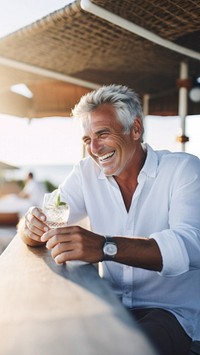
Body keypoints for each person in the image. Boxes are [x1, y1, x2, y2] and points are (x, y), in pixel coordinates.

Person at [18, 84, 200, 355]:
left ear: (135, 129)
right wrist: (31, 224)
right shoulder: (85, 173)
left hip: (172, 314)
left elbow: (191, 246)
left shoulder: (184, 169)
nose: (93, 148)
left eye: (103, 133)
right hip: (111, 305)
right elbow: (47, 214)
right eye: (86, 139)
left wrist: (106, 247)